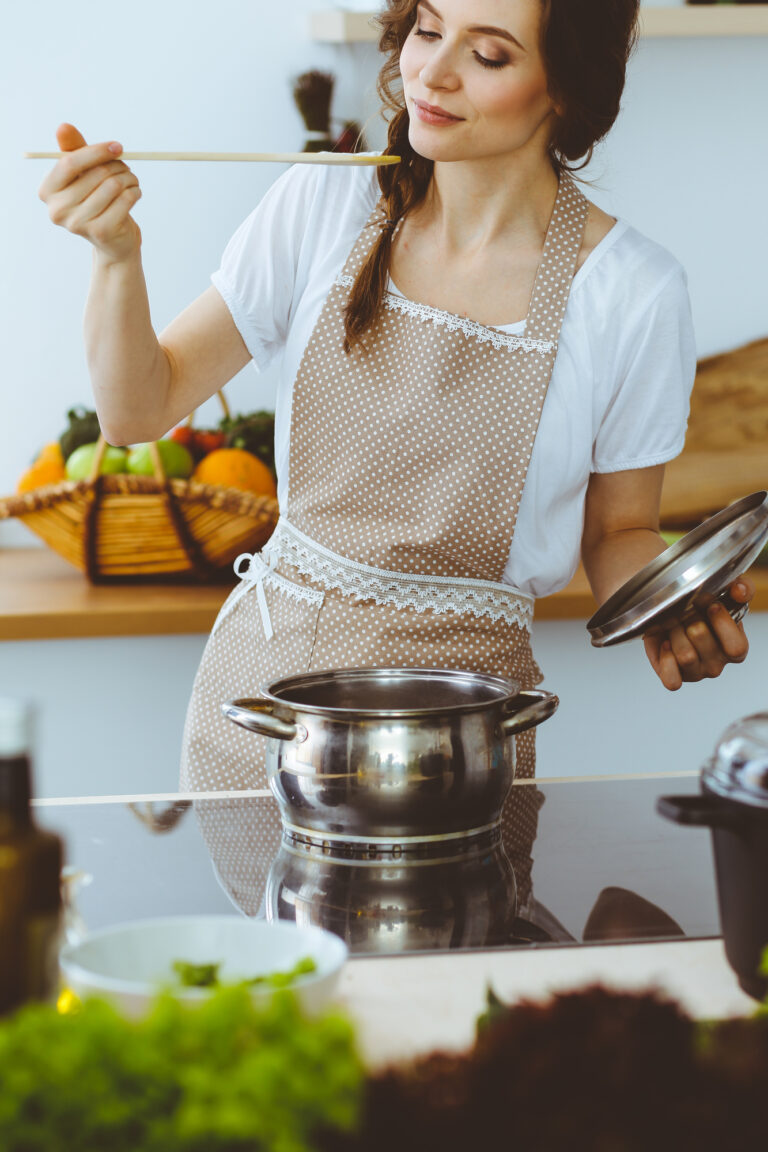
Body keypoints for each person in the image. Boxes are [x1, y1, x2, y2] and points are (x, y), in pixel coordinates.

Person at [39, 0, 753, 830]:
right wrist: (115, 255)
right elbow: (136, 410)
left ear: (565, 88)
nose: (434, 73)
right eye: (426, 30)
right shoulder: (321, 206)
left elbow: (619, 530)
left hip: (459, 744)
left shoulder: (633, 292)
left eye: (487, 55)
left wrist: (672, 602)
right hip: (266, 708)